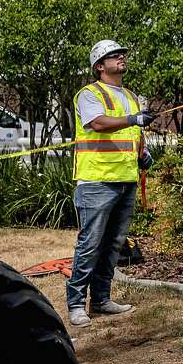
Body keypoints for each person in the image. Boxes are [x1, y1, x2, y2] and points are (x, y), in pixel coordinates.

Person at [67, 39, 155, 328]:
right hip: (96, 181)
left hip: (125, 179)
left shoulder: (130, 96)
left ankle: (102, 299)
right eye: (112, 55)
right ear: (99, 66)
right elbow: (98, 123)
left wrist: (143, 153)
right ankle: (76, 304)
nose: (120, 57)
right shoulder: (88, 94)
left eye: (121, 54)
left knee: (113, 245)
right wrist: (133, 119)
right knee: (90, 243)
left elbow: (134, 133)